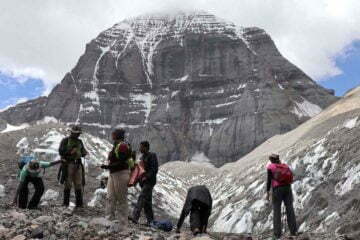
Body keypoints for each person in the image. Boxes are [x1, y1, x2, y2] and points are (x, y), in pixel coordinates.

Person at [100, 129, 133, 231]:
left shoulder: (122, 146)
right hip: (113, 174)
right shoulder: (117, 145)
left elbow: (122, 162)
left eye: (113, 134)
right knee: (110, 197)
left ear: (117, 136)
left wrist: (107, 166)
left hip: (121, 174)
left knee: (121, 199)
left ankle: (123, 224)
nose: (112, 136)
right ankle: (108, 221)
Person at [266, 154, 297, 239]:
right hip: (287, 188)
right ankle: (294, 231)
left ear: (271, 160)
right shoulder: (284, 166)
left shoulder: (271, 167)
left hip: (277, 190)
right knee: (290, 208)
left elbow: (269, 180)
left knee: (277, 211)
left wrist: (268, 192)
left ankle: (277, 234)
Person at [129, 141, 159, 225]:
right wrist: (136, 180)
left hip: (149, 182)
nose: (140, 148)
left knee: (142, 197)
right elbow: (140, 171)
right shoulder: (142, 157)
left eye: (141, 147)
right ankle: (151, 221)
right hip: (143, 182)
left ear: (146, 147)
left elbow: (154, 169)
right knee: (147, 202)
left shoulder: (152, 155)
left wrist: (147, 176)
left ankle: (135, 217)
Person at [58, 125, 88, 208]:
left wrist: (84, 153)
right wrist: (70, 151)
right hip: (68, 164)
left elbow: (82, 151)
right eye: (76, 133)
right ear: (71, 133)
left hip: (78, 164)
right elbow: (61, 151)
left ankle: (79, 204)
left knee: (78, 184)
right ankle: (65, 203)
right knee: (68, 183)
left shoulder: (80, 142)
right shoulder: (65, 140)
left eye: (78, 133)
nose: (78, 135)